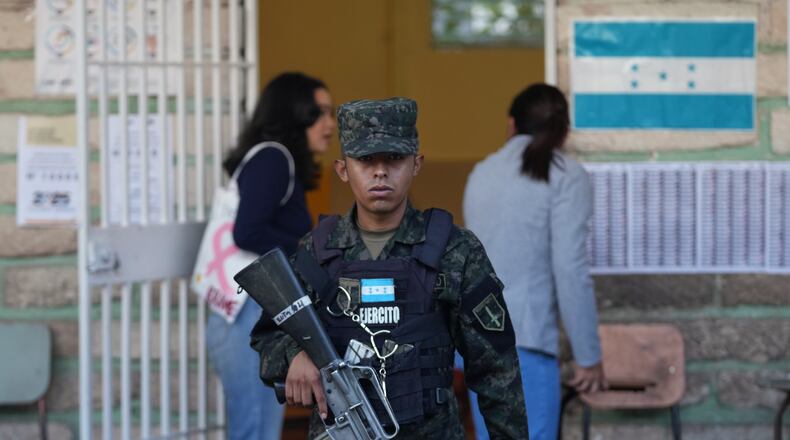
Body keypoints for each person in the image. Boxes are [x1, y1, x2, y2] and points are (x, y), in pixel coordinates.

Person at [250, 98, 529, 439]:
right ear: (342, 169)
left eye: (394, 158)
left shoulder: (454, 249)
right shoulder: (315, 251)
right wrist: (295, 355)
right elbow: (267, 333)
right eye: (365, 160)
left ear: (416, 164)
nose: (380, 171)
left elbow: (496, 372)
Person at [462, 83, 607, 440]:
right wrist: (587, 354)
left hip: (477, 341)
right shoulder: (565, 175)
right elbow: (570, 268)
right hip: (527, 341)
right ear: (564, 132)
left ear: (511, 124)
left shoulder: (481, 172)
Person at [206, 72, 335, 440]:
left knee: (259, 429)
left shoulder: (277, 162)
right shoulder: (273, 160)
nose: (330, 124)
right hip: (244, 314)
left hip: (246, 313)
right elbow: (247, 232)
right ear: (295, 113)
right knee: (253, 432)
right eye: (320, 112)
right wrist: (310, 253)